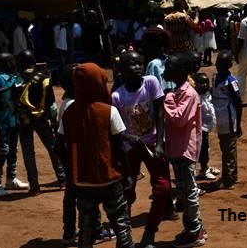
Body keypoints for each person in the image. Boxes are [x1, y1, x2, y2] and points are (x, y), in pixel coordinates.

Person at [58, 63, 134, 248]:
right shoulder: (108, 111)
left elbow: (58, 147)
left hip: (83, 180)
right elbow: (119, 147)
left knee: (86, 226)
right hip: (109, 177)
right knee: (121, 224)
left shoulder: (68, 112)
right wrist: (127, 174)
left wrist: (73, 167)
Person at [111, 50, 169, 248]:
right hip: (130, 148)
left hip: (152, 143)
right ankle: (124, 236)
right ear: (121, 71)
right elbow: (116, 130)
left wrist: (160, 143)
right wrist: (129, 137)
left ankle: (150, 232)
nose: (137, 68)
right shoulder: (117, 96)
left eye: (139, 63)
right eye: (131, 65)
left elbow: (160, 113)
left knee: (162, 188)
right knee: (127, 191)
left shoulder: (151, 82)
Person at [163, 53, 207, 247]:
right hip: (177, 148)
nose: (165, 71)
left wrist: (167, 99)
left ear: (181, 71)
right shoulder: (179, 92)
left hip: (184, 150)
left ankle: (194, 231)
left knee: (188, 190)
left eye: (169, 68)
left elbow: (179, 118)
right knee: (183, 189)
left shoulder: (187, 93)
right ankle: (193, 226)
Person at [16, 50, 67, 195]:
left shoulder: (17, 80)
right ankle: (62, 180)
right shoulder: (44, 79)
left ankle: (34, 186)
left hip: (24, 120)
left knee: (28, 153)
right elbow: (51, 105)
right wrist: (54, 120)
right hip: (42, 118)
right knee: (53, 149)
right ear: (34, 61)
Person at [0, 53, 29, 197]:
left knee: (13, 149)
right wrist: (9, 88)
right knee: (3, 150)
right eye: (10, 61)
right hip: (3, 120)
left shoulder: (16, 77)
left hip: (14, 118)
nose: (13, 63)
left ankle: (11, 178)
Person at [211, 51, 242, 189]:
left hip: (229, 119)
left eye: (222, 64)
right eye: (218, 63)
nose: (219, 66)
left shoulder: (232, 81)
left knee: (229, 149)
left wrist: (239, 124)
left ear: (229, 65)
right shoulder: (215, 77)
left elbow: (238, 103)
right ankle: (231, 175)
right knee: (225, 148)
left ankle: (228, 178)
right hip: (220, 118)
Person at [193, 73, 219, 181]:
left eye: (206, 83)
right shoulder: (195, 97)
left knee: (205, 148)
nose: (204, 85)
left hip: (206, 127)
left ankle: (206, 167)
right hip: (199, 129)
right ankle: (203, 171)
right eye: (201, 83)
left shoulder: (208, 94)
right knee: (201, 150)